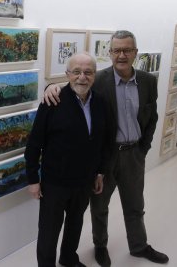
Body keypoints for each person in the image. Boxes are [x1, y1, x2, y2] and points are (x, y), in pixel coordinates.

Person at [44, 30, 169, 266]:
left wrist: (143, 148)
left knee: (135, 205)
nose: (121, 55)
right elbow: (74, 83)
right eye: (116, 50)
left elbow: (151, 117)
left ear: (135, 52)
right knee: (99, 207)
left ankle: (139, 246)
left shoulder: (148, 81)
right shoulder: (98, 79)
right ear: (109, 53)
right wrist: (50, 87)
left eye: (127, 50)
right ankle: (100, 246)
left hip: (134, 154)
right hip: (106, 156)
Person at [25, 52, 109, 267]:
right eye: (77, 72)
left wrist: (99, 172)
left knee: (76, 223)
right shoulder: (53, 100)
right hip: (55, 183)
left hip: (84, 181)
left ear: (94, 75)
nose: (82, 77)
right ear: (67, 74)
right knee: (49, 231)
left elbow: (101, 141)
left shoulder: (100, 102)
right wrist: (33, 179)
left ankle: (68, 258)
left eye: (88, 72)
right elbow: (35, 144)